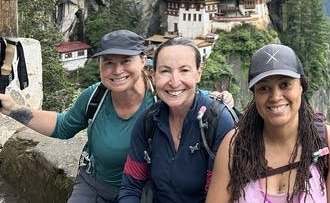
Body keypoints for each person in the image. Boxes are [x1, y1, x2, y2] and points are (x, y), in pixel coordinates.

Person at [0, 29, 156, 202]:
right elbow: (63, 126)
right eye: (108, 62)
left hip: (143, 192)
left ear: (143, 60)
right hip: (94, 186)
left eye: (126, 61)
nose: (117, 70)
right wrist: (12, 109)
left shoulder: (160, 100)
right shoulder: (95, 97)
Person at [206, 44, 330, 203]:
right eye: (264, 88)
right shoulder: (235, 146)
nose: (275, 96)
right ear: (255, 95)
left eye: (285, 84)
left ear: (301, 86)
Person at [118, 36, 236, 203]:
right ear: (153, 75)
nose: (174, 82)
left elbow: (220, 196)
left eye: (184, 70)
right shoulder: (148, 122)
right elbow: (131, 185)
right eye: (165, 71)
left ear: (198, 74)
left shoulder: (218, 123)